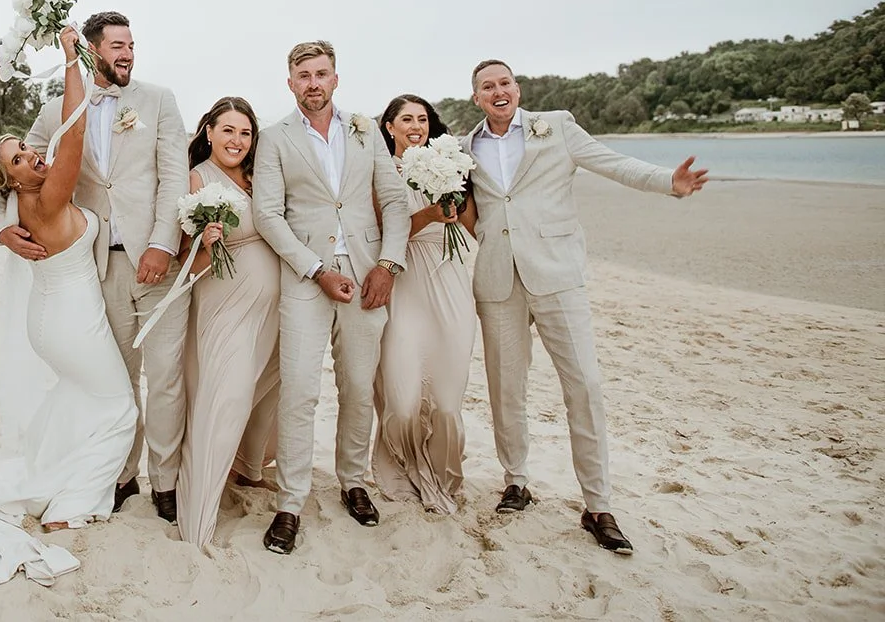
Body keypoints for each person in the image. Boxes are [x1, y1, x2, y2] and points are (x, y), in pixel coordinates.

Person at [463, 59, 709, 555]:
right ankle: (516, 481)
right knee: (506, 388)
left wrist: (668, 182)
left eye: (505, 82)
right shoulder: (465, 147)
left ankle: (598, 505)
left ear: (518, 87)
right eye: (487, 87)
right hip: (496, 280)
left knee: (585, 386)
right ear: (477, 98)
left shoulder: (556, 126)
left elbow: (613, 162)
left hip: (557, 276)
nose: (498, 91)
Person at [0, 25, 136, 585]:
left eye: (26, 148)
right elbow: (74, 136)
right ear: (8, 180)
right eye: (18, 158)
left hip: (52, 318)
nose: (31, 155)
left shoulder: (22, 209)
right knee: (120, 408)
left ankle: (50, 476)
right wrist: (71, 61)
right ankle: (67, 506)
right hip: (70, 322)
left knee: (78, 399)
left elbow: (58, 144)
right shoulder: (46, 196)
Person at [0, 10, 187, 520]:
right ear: (92, 50)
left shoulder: (159, 101)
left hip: (156, 261)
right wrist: (1, 225)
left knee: (165, 378)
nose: (127, 54)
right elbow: (13, 170)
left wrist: (164, 243)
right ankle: (119, 476)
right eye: (117, 45)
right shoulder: (57, 107)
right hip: (99, 267)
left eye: (131, 45)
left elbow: (174, 176)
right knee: (119, 379)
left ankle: (165, 482)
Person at [251, 40, 411, 555]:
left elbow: (393, 200)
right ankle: (291, 502)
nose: (313, 82)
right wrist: (316, 270)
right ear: (291, 82)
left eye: (322, 73)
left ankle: (353, 482)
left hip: (367, 274)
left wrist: (387, 265)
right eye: (304, 75)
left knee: (358, 388)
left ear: (336, 79)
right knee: (300, 391)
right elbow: (268, 215)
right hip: (306, 278)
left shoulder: (366, 131)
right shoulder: (275, 138)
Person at [174, 96, 282, 551]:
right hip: (226, 305)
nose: (237, 140)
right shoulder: (197, 178)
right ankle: (200, 510)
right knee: (227, 395)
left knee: (267, 391)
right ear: (209, 132)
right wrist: (206, 241)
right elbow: (185, 261)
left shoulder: (261, 177)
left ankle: (246, 470)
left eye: (245, 133)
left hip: (274, 309)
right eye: (228, 131)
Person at [370, 94, 476, 515]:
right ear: (389, 127)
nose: (416, 125)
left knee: (448, 400)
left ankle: (443, 470)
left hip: (449, 280)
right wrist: (430, 216)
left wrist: (454, 201)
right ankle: (400, 464)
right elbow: (381, 230)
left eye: (423, 118)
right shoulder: (381, 172)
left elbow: (472, 229)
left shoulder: (448, 167)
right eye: (406, 119)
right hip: (402, 280)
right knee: (403, 398)